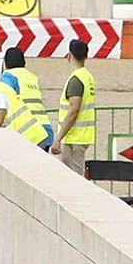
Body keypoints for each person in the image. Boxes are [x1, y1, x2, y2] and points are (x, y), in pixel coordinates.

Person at [50, 40, 96, 175]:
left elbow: (73, 111)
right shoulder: (87, 76)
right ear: (86, 56)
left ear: (69, 55)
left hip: (73, 139)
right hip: (81, 136)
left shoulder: (76, 79)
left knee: (74, 179)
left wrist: (58, 139)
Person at [0, 47, 54, 152]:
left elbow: (4, 101)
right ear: (24, 62)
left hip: (28, 131)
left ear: (6, 64)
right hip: (45, 128)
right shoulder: (32, 77)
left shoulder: (8, 76)